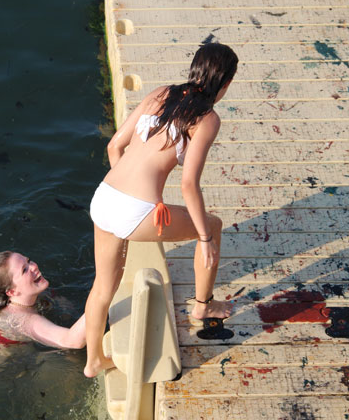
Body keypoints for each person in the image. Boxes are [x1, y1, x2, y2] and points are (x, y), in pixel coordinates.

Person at [84, 43, 239, 377]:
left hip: (104, 195)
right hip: (134, 211)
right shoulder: (207, 118)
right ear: (224, 84)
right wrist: (203, 237)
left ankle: (93, 360)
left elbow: (115, 145)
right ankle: (203, 305)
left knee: (102, 287)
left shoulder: (162, 93)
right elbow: (188, 184)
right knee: (213, 225)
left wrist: (142, 199)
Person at [0, 250, 86, 350]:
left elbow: (66, 307)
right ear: (12, 292)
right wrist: (101, 295)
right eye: (25, 270)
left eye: (29, 261)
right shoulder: (24, 321)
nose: (34, 267)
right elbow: (72, 341)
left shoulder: (29, 290)